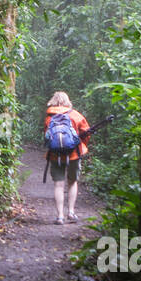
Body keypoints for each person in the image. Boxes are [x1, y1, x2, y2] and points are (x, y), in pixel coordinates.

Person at [45, 91, 90, 224]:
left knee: (58, 185)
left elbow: (47, 136)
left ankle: (60, 216)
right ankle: (71, 212)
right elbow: (86, 133)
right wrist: (81, 146)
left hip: (55, 155)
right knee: (72, 182)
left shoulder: (49, 117)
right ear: (67, 101)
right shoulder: (75, 115)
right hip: (74, 155)